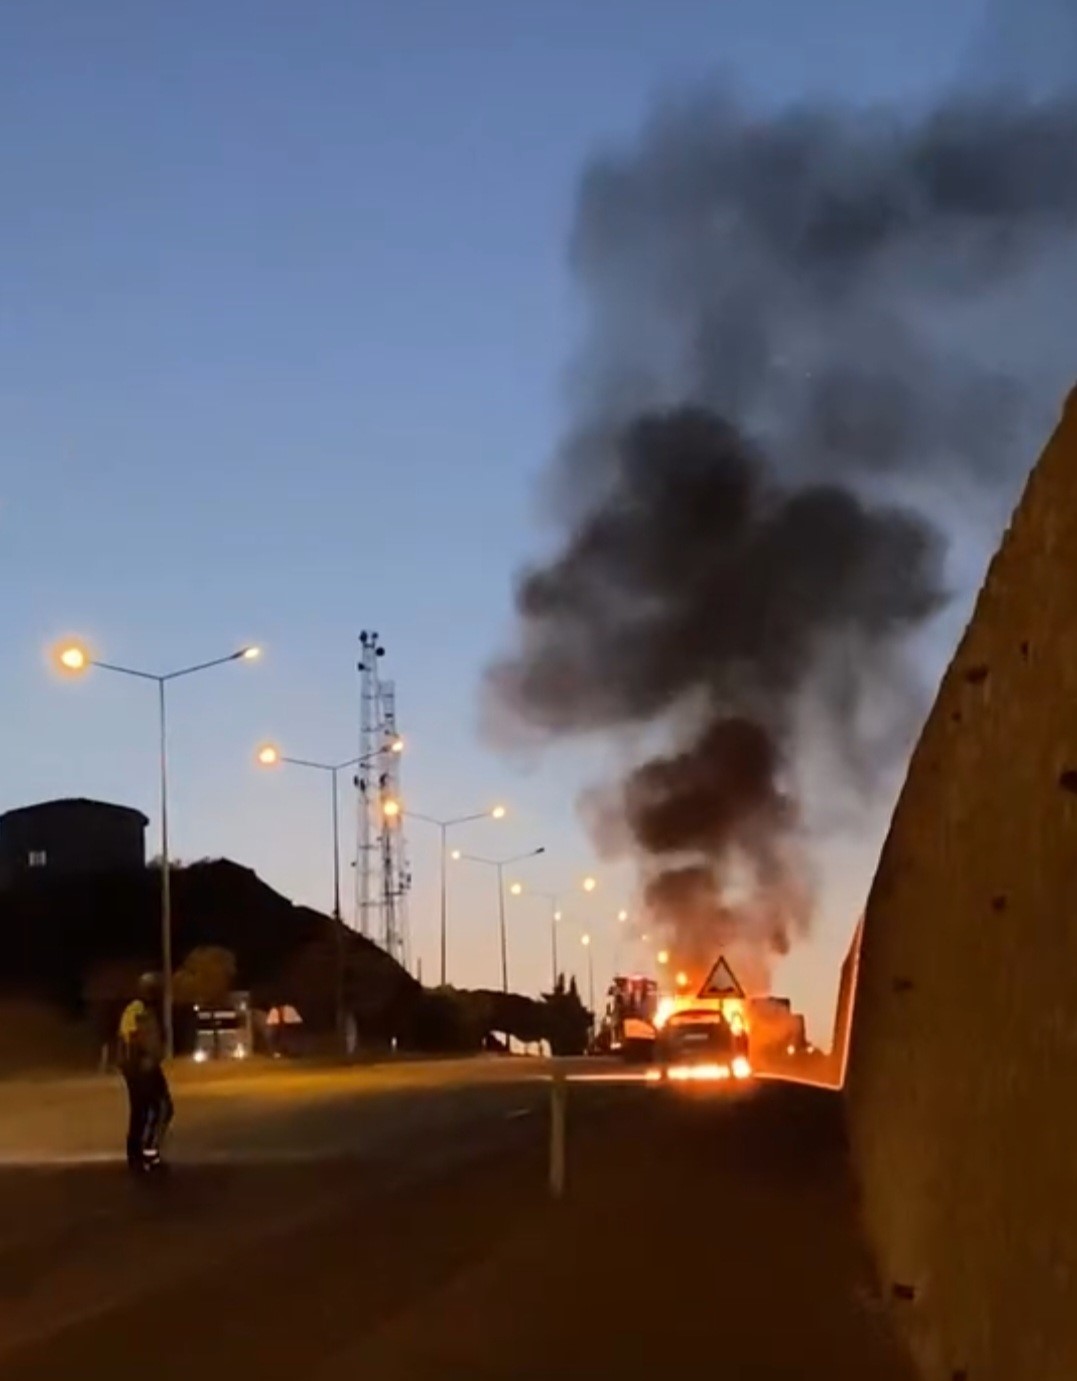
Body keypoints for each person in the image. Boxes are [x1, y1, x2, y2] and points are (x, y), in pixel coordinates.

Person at [118, 973, 173, 1174]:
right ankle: (142, 1155)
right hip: (139, 1068)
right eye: (154, 989)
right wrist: (143, 1059)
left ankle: (143, 1154)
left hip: (147, 1065)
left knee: (154, 1109)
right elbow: (132, 1037)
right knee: (153, 1109)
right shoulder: (137, 1009)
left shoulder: (148, 1010)